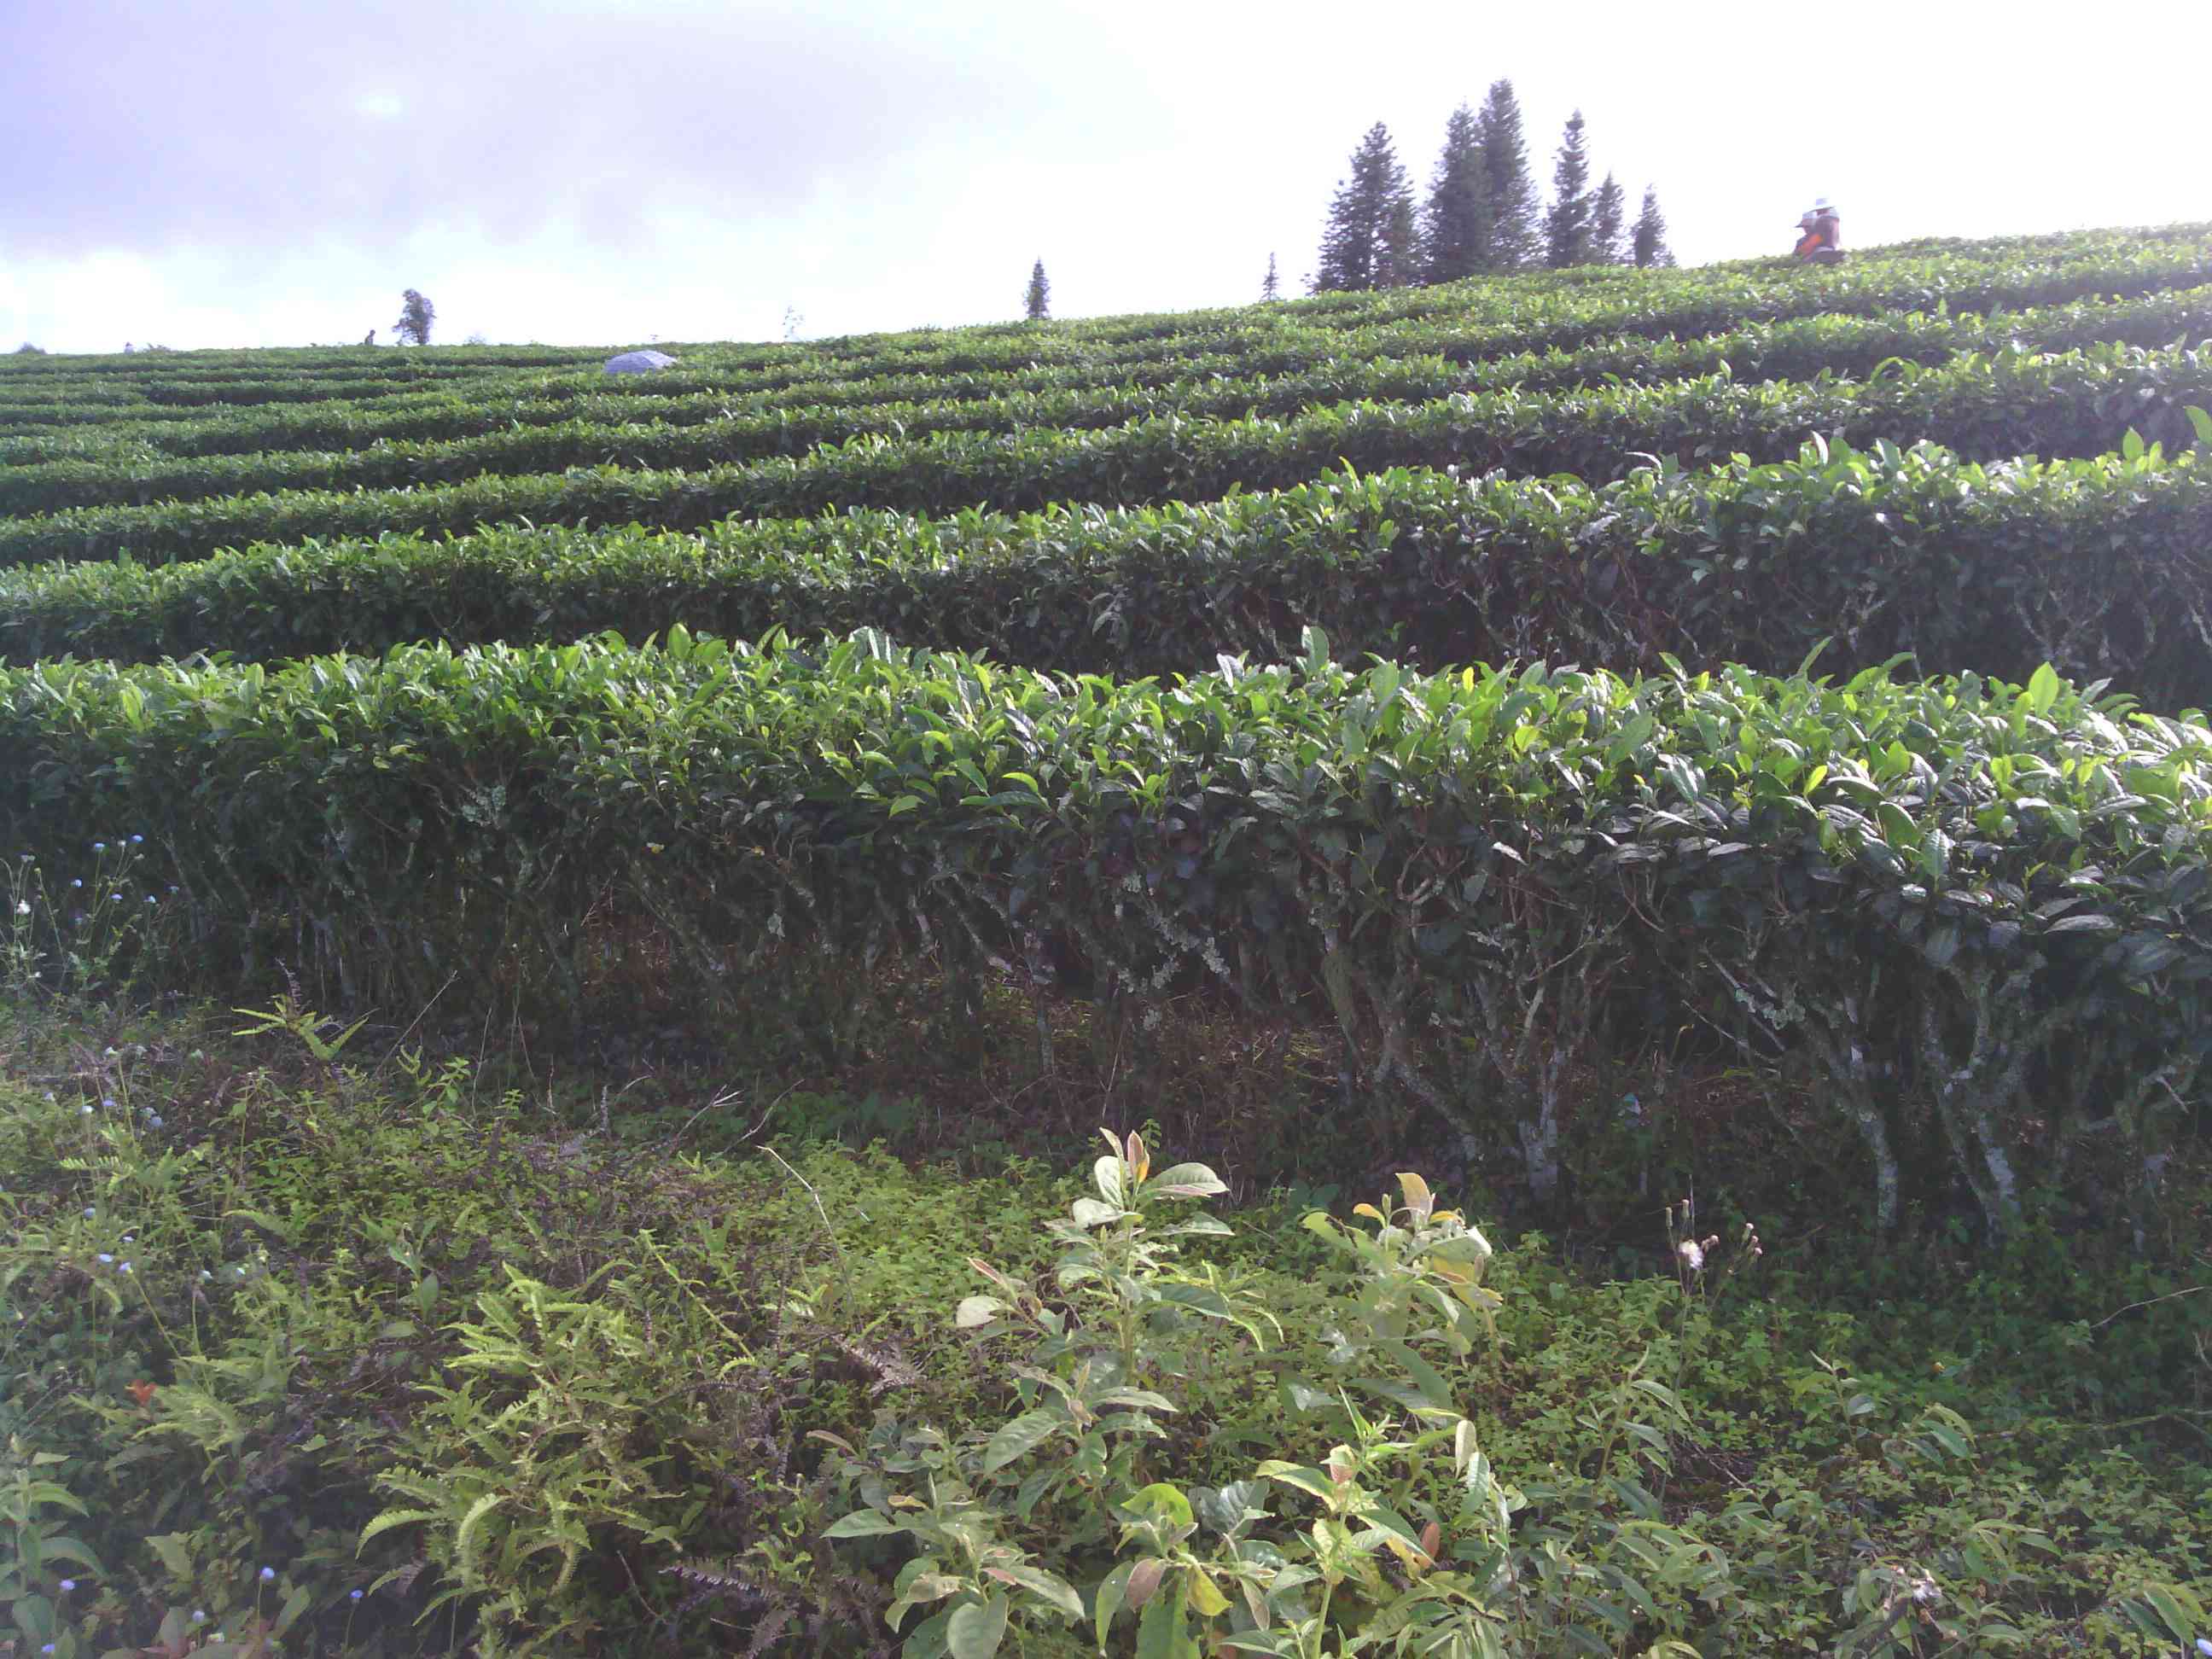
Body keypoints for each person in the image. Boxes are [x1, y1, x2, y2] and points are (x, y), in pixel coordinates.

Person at [1793, 198, 1844, 264]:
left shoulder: (1823, 221)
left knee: (1802, 264)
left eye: (1818, 210)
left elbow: (1814, 241)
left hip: (1822, 255)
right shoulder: (1834, 222)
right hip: (1833, 252)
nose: (1817, 212)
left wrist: (1798, 253)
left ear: (1821, 209)